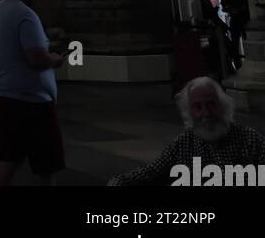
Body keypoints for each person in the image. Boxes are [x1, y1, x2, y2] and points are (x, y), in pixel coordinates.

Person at [0, 0, 65, 185]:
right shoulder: (25, 15)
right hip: (31, 102)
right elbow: (36, 58)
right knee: (46, 165)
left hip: (4, 96)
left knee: (8, 159)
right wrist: (56, 59)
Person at [109, 76, 265, 185]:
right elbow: (149, 173)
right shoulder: (183, 145)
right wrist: (117, 183)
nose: (206, 113)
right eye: (198, 107)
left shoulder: (249, 139)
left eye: (211, 104)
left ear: (223, 106)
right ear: (189, 113)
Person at [220, 0, 250, 71]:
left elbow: (223, 8)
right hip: (239, 19)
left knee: (239, 42)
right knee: (236, 42)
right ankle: (239, 63)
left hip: (242, 19)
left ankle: (241, 63)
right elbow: (223, 8)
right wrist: (233, 10)